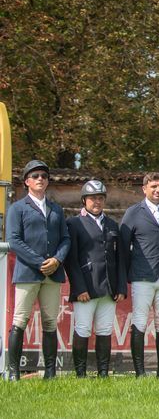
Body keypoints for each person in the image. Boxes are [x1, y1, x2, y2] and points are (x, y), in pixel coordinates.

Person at [5, 160, 70, 380]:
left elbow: (65, 239)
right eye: (35, 176)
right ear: (27, 182)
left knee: (50, 321)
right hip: (28, 273)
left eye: (43, 175)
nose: (40, 178)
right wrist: (40, 262)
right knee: (20, 320)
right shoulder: (17, 208)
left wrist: (57, 260)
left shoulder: (56, 209)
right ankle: (13, 371)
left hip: (53, 274)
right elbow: (13, 240)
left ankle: (50, 372)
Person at [64, 180, 127, 378]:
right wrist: (79, 287)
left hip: (108, 287)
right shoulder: (73, 223)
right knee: (82, 329)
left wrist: (120, 287)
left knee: (105, 329)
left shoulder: (111, 224)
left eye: (100, 198)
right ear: (84, 200)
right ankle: (80, 373)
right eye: (93, 198)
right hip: (86, 287)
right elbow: (71, 260)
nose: (97, 202)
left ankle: (103, 372)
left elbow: (119, 259)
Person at [121, 172, 159, 377]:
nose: (157, 190)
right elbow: (123, 246)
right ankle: (139, 372)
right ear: (144, 189)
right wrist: (129, 273)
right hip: (142, 276)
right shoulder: (133, 213)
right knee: (139, 321)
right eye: (153, 186)